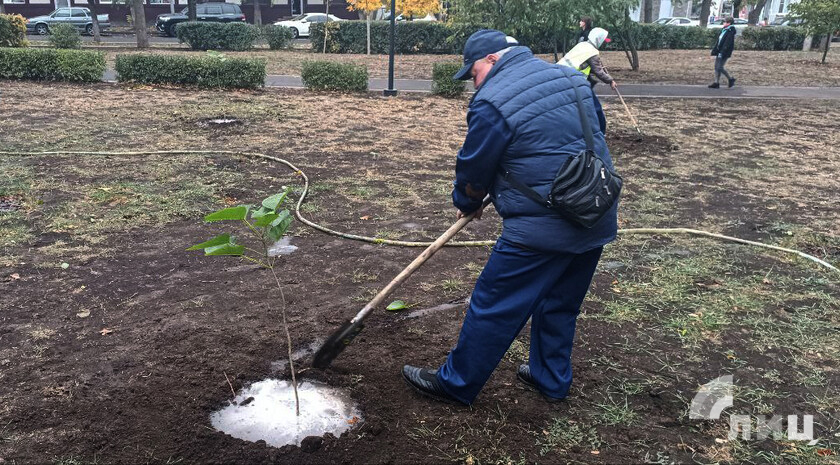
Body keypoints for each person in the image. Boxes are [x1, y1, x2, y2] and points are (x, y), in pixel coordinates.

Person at [401, 29, 618, 406]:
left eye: (473, 73)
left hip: (541, 228)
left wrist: (467, 201)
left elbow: (474, 168)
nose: (473, 82)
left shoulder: (493, 102)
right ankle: (550, 379)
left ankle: (456, 384)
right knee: (559, 303)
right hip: (596, 209)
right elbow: (595, 131)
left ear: (493, 60)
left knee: (494, 303)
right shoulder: (570, 77)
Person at [559, 27, 618, 92]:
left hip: (560, 71)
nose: (604, 43)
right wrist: (611, 81)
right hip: (570, 78)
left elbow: (584, 64)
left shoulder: (582, 44)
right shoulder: (592, 52)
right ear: (598, 40)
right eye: (603, 41)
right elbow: (598, 71)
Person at [709, 17, 736, 88]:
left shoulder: (730, 31)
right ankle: (716, 82)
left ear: (729, 23)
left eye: (724, 22)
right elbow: (719, 41)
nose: (723, 23)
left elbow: (727, 43)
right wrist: (714, 51)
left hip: (724, 52)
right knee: (716, 67)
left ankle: (730, 79)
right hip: (719, 51)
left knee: (720, 67)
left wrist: (722, 52)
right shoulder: (724, 30)